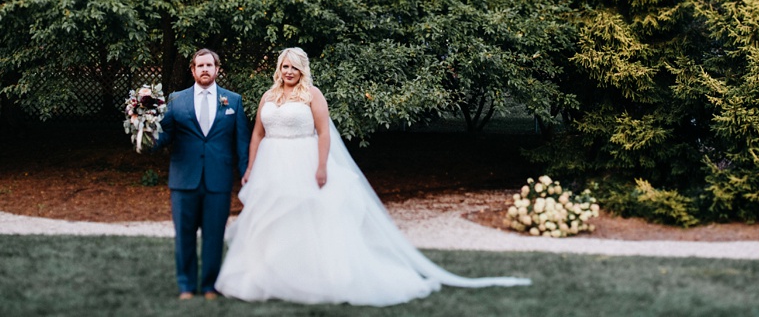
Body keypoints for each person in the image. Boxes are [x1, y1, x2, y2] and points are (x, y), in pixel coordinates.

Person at [214, 47, 530, 306]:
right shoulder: (268, 97)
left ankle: (310, 277)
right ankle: (269, 275)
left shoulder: (312, 95)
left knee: (307, 218)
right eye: (284, 66)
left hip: (304, 160)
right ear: (278, 68)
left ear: (302, 70)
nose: (288, 71)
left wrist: (322, 166)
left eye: (294, 67)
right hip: (271, 164)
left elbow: (324, 133)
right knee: (271, 220)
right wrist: (251, 168)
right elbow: (256, 135)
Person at [154, 48, 251, 300]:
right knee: (184, 235)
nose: (205, 69)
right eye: (200, 66)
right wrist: (143, 132)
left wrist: (246, 175)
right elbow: (164, 135)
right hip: (184, 180)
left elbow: (242, 143)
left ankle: (209, 286)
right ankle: (186, 286)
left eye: (210, 65)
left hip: (218, 181)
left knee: (214, 236)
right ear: (193, 70)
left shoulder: (234, 101)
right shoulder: (176, 100)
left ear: (217, 69)